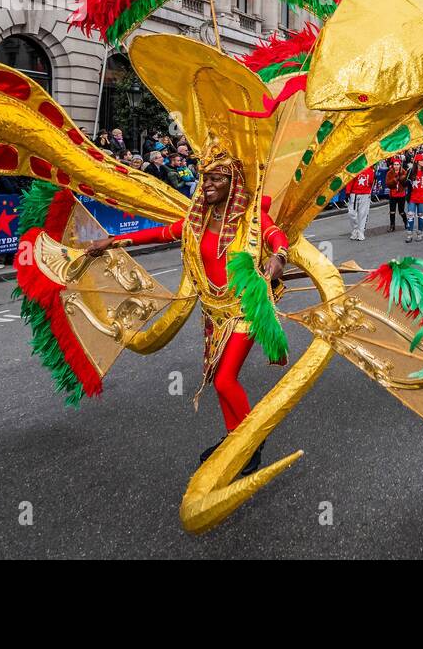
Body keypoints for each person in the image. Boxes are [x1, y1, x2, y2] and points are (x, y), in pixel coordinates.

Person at [85, 147, 286, 475]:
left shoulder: (250, 219)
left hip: (245, 309)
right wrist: (114, 242)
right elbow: (161, 233)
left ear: (232, 183)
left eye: (216, 179)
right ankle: (236, 437)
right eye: (205, 179)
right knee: (216, 377)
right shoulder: (199, 220)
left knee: (224, 381)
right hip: (213, 313)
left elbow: (276, 236)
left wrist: (278, 257)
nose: (207, 185)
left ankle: (252, 443)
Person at [346, 164, 374, 241]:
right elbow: (350, 180)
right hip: (354, 194)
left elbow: (371, 182)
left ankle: (361, 232)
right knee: (351, 213)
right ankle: (355, 230)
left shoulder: (371, 170)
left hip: (365, 194)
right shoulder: (355, 168)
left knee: (363, 214)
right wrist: (348, 191)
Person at [384, 157, 407, 231]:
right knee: (392, 211)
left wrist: (402, 179)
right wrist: (394, 180)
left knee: (401, 211)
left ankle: (406, 222)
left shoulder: (403, 172)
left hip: (401, 194)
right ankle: (392, 226)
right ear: (393, 165)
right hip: (393, 194)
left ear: (400, 165)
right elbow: (387, 184)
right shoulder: (389, 173)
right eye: (395, 164)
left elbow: (406, 183)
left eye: (397, 164)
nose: (396, 166)